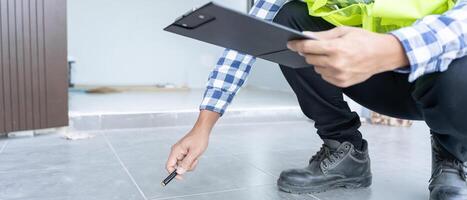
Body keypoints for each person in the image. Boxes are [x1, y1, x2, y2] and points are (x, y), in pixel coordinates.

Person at [166, 0, 467, 199]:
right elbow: (244, 42)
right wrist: (203, 126)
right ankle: (345, 150)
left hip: (444, 76)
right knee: (290, 21)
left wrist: (394, 48)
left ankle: (451, 153)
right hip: (371, 78)